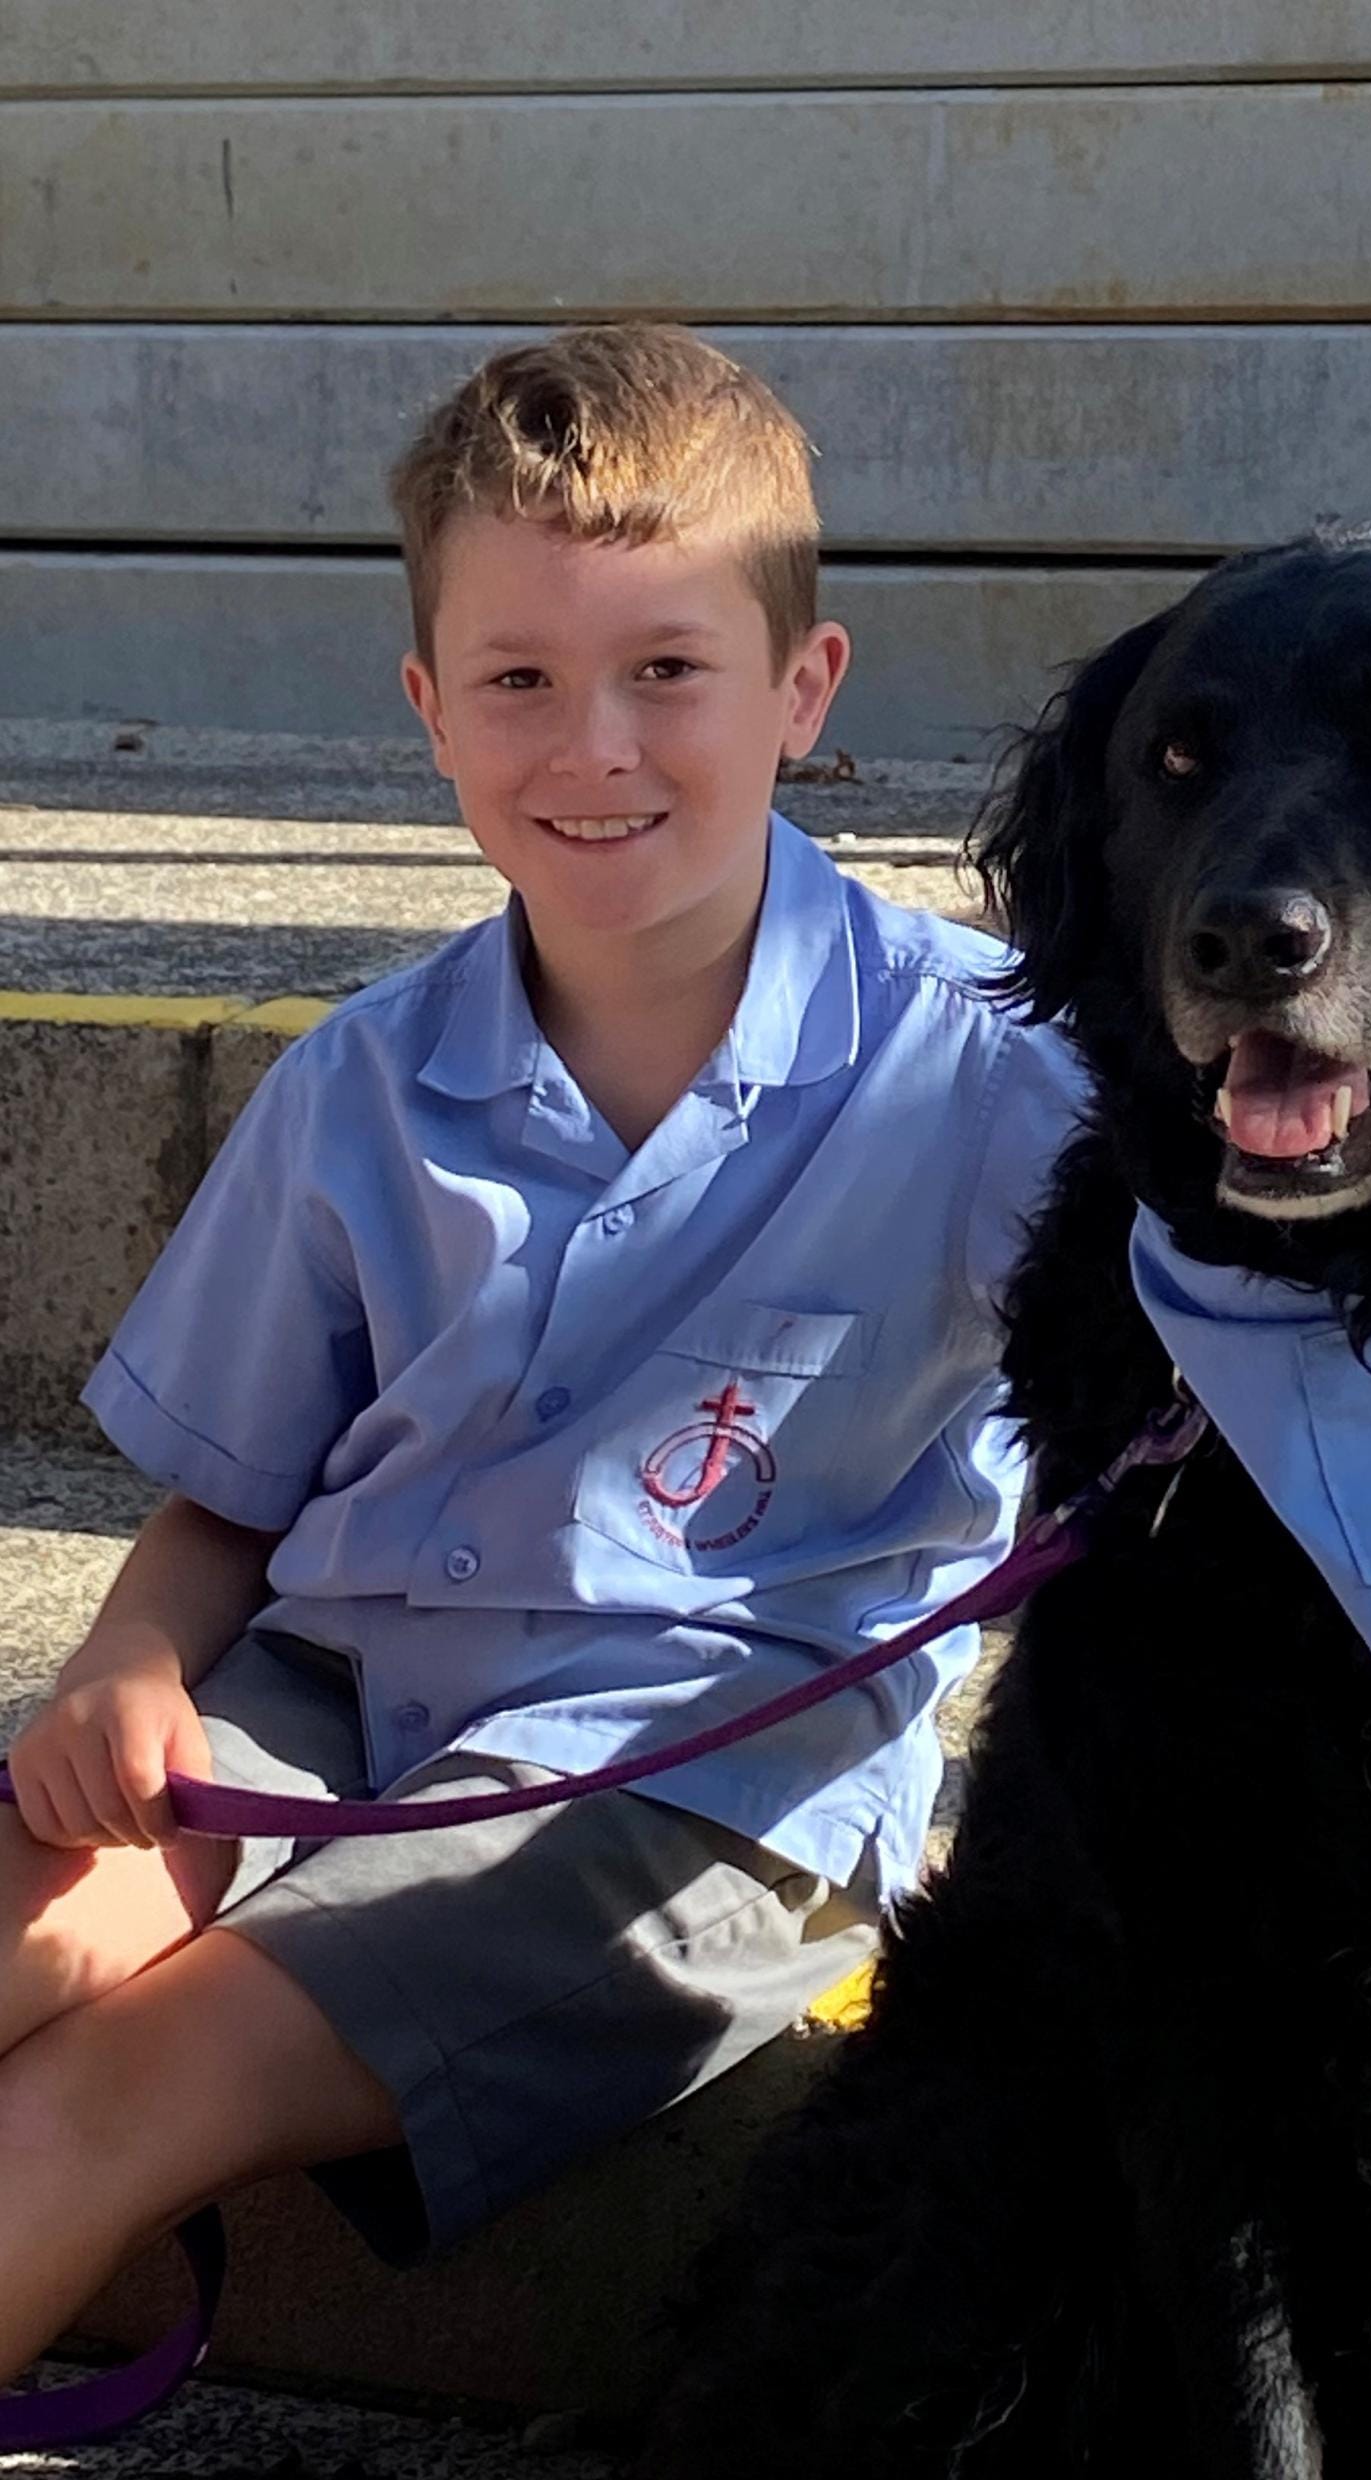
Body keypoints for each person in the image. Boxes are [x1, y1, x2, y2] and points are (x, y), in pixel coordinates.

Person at [0, 322, 1079, 2375]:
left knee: (121, 2079)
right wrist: (126, 1666)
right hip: (327, 1695)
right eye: (518, 680)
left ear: (803, 689)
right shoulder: (364, 1082)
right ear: (427, 710)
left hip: (692, 1782)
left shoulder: (998, 1076)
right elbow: (229, 1497)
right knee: (32, 1923)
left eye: (666, 670)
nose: (593, 746)